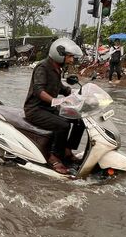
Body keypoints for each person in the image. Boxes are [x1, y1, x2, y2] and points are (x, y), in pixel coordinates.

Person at [24, 38, 85, 175]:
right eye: (69, 56)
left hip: (48, 108)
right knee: (63, 125)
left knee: (79, 120)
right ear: (59, 54)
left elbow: (60, 87)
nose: (71, 60)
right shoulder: (42, 67)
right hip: (35, 109)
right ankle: (54, 157)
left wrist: (76, 93)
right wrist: (54, 101)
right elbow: (39, 90)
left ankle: (67, 150)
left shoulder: (57, 68)